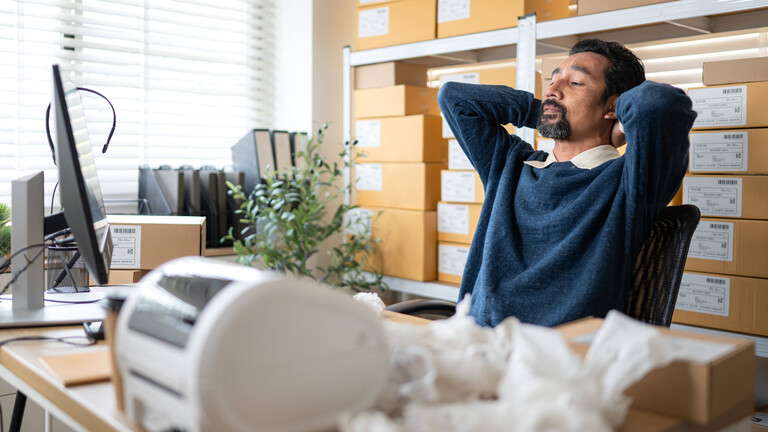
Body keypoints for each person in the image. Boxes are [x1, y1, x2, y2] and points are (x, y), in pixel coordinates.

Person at [437, 39, 697, 327]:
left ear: (613, 106)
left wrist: (620, 119)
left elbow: (658, 104)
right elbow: (454, 98)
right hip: (477, 345)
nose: (552, 90)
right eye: (553, 80)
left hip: (558, 357)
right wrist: (544, 110)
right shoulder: (510, 166)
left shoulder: (629, 181)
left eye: (574, 82)